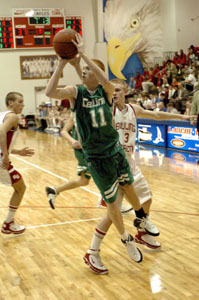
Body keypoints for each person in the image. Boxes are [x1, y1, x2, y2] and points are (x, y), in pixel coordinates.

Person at [45, 34, 160, 274]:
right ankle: (123, 239)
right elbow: (51, 92)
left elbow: (103, 79)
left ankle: (140, 220)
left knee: (130, 193)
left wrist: (84, 56)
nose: (85, 72)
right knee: (113, 207)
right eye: (85, 71)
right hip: (97, 158)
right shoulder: (77, 93)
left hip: (116, 152)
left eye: (90, 71)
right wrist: (63, 62)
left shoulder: (108, 92)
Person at [106, 78, 191, 248]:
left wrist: (182, 116)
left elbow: (157, 115)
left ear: (125, 92)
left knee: (147, 198)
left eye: (117, 90)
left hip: (129, 161)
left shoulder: (133, 109)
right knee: (111, 214)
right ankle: (95, 248)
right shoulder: (108, 110)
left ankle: (142, 234)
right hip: (113, 162)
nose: (114, 93)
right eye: (112, 90)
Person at [0, 92, 34, 234]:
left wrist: (17, 152)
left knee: (20, 187)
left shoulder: (2, 115)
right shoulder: (13, 116)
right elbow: (1, 131)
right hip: (1, 160)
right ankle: (8, 223)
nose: (23, 105)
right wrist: (6, 155)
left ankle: (9, 223)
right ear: (10, 102)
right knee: (20, 188)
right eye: (20, 101)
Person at [45, 112, 91, 209]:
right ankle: (112, 203)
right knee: (105, 175)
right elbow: (64, 131)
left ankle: (54, 190)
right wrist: (73, 141)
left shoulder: (96, 108)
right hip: (83, 151)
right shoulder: (75, 113)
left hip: (94, 148)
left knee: (84, 181)